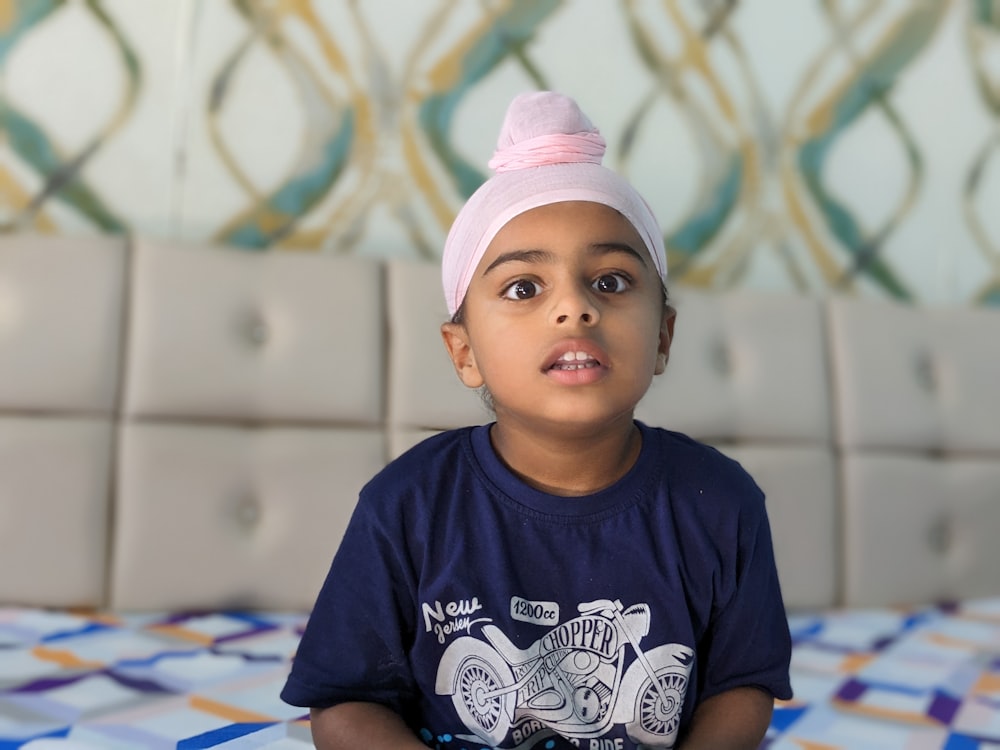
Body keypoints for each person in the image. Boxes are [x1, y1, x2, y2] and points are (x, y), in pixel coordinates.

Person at [281, 91, 792, 750]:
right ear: (465, 353)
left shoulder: (721, 502)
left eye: (610, 282)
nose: (575, 308)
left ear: (663, 337)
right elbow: (345, 705)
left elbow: (742, 687)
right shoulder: (406, 506)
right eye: (524, 288)